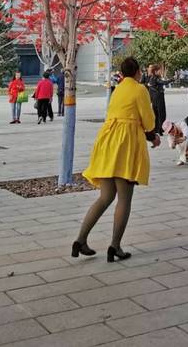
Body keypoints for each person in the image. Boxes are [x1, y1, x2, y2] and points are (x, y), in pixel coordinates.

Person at [73, 56, 159, 261]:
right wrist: (152, 135)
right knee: (124, 198)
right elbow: (148, 121)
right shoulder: (140, 89)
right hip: (126, 145)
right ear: (138, 71)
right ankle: (115, 246)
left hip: (107, 142)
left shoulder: (118, 88)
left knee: (105, 196)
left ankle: (80, 240)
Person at [147, 64, 169, 135]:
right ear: (156, 71)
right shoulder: (155, 78)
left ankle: (156, 129)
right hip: (159, 98)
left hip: (155, 99)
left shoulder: (152, 78)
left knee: (156, 114)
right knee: (161, 113)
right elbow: (163, 82)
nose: (161, 72)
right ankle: (160, 129)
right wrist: (172, 80)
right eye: (159, 70)